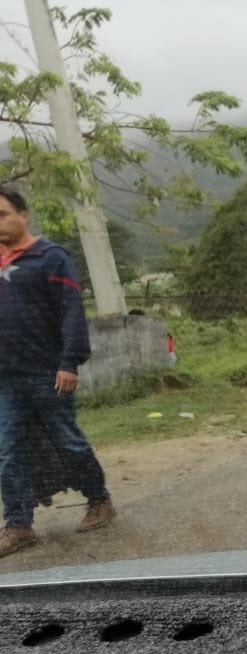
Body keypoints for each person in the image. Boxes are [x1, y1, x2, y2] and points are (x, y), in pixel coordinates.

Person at [0, 184, 114, 558]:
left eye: (2, 215)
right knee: (7, 451)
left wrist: (69, 362)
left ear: (24, 215)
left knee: (68, 441)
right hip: (5, 378)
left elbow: (70, 313)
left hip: (46, 373)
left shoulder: (51, 258)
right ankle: (19, 525)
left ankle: (99, 500)